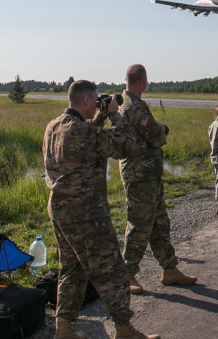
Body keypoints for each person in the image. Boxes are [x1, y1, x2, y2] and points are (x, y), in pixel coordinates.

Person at [43, 80, 159, 339]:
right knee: (113, 270)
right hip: (86, 213)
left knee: (72, 269)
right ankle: (124, 329)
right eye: (95, 100)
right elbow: (125, 144)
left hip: (60, 210)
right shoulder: (82, 132)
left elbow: (85, 143)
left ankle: (63, 328)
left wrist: (99, 116)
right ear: (86, 101)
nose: (97, 103)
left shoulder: (54, 126)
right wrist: (115, 115)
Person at [118, 64, 196, 296]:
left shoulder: (132, 103)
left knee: (160, 223)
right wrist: (161, 129)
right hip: (140, 176)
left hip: (150, 175)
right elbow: (155, 136)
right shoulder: (133, 106)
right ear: (143, 81)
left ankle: (169, 269)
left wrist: (158, 128)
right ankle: (128, 273)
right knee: (139, 224)